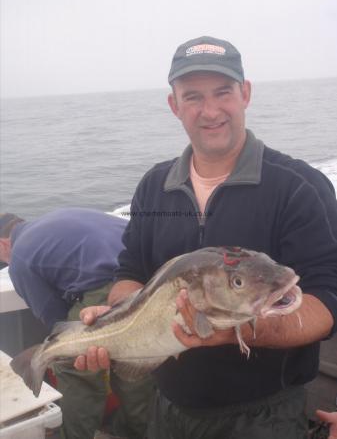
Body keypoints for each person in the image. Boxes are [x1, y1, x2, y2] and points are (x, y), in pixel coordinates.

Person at [74, 36, 337, 439]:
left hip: (264, 416)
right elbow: (130, 272)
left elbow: (327, 301)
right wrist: (116, 323)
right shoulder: (153, 187)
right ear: (173, 105)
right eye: (193, 96)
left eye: (223, 92)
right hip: (169, 409)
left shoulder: (300, 186)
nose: (210, 111)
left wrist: (242, 329)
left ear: (245, 93)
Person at [0, 208, 128, 439]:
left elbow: (55, 319)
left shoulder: (19, 256)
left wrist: (56, 351)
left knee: (74, 364)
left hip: (106, 286)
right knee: (133, 362)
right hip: (142, 276)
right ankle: (138, 429)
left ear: (3, 245)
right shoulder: (57, 218)